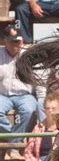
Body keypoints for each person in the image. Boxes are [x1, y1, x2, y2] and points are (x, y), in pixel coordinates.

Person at [0, 25, 39, 154]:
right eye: (13, 41)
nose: (17, 44)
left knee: (29, 110)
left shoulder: (30, 54)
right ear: (5, 41)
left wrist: (41, 98)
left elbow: (39, 79)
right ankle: (14, 141)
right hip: (3, 95)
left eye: (19, 41)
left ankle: (12, 143)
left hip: (25, 95)